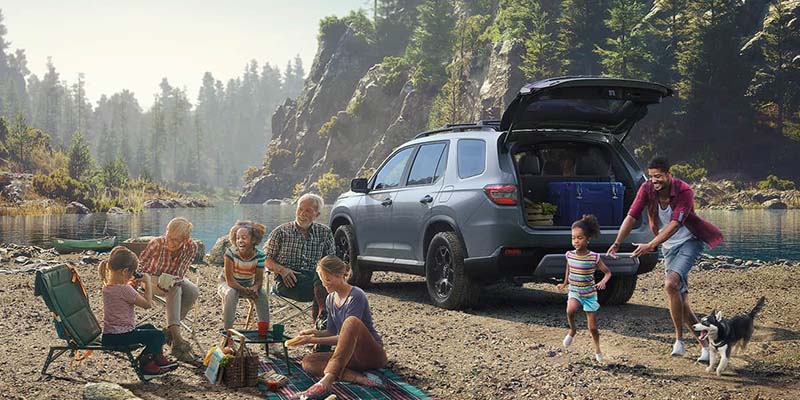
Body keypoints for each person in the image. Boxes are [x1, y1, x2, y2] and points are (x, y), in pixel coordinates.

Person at [606, 157, 723, 362]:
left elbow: (676, 224)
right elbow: (631, 216)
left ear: (669, 174)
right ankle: (706, 345)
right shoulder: (647, 189)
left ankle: (679, 341)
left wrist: (650, 245)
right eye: (651, 176)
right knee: (681, 301)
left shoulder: (684, 191)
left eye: (658, 176)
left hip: (689, 241)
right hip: (668, 247)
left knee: (670, 285)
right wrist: (617, 242)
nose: (654, 181)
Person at [287, 256, 387, 400]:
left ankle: (325, 383)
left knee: (351, 322)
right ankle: (359, 378)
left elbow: (344, 337)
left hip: (371, 354)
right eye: (322, 279)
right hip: (349, 356)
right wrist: (312, 333)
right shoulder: (330, 299)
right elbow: (331, 332)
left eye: (328, 279)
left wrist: (313, 339)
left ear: (340, 275)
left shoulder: (356, 296)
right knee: (309, 361)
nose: (324, 284)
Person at [99, 246, 178, 380]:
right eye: (132, 272)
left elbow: (125, 295)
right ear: (125, 271)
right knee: (159, 336)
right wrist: (146, 282)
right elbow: (147, 305)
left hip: (110, 335)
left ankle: (158, 360)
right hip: (121, 336)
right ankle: (146, 365)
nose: (133, 274)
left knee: (150, 328)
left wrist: (131, 284)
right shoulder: (125, 289)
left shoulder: (108, 287)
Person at [264, 193, 335, 324]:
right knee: (324, 287)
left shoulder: (325, 233)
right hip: (289, 281)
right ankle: (322, 319)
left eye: (308, 211)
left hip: (316, 282)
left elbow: (331, 261)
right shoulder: (280, 232)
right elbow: (266, 260)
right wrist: (283, 271)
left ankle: (321, 322)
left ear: (317, 215)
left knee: (321, 276)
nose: (302, 214)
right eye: (300, 209)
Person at [138, 217, 199, 362]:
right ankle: (178, 341)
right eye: (169, 237)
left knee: (192, 291)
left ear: (186, 240)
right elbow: (139, 268)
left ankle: (169, 332)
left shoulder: (191, 247)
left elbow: (180, 272)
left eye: (177, 240)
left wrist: (171, 281)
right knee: (175, 288)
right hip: (150, 280)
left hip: (172, 279)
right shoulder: (157, 243)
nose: (171, 243)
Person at [558, 214, 612, 362]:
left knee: (592, 327)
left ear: (588, 239)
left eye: (579, 238)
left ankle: (597, 348)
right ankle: (573, 330)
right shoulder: (569, 255)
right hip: (575, 291)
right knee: (570, 310)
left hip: (589, 294)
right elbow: (569, 269)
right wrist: (564, 283)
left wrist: (603, 281)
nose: (576, 241)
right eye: (573, 238)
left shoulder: (594, 257)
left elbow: (608, 272)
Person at [218, 220, 269, 329]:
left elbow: (259, 280)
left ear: (253, 240)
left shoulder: (260, 256)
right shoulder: (230, 253)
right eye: (237, 238)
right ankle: (228, 334)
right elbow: (230, 281)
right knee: (232, 293)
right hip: (227, 283)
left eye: (244, 238)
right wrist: (244, 290)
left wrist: (255, 288)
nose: (240, 241)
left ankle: (264, 332)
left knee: (262, 294)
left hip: (247, 285)